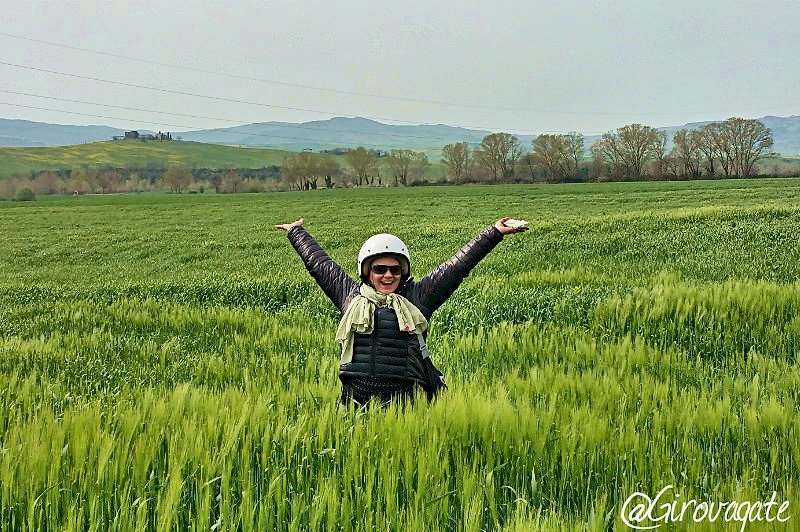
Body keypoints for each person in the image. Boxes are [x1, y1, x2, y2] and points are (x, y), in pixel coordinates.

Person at [275, 217, 526, 407]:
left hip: (407, 404)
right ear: (367, 272)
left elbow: (457, 266)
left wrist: (493, 233)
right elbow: (320, 265)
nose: (388, 275)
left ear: (403, 272)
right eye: (380, 268)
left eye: (395, 270)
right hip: (356, 402)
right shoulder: (350, 297)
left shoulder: (418, 299)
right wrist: (296, 231)